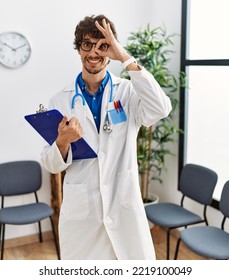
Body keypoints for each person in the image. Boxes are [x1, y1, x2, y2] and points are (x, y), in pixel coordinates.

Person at [41, 14, 172, 260]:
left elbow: (161, 108)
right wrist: (62, 141)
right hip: (83, 214)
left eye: (103, 45)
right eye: (87, 44)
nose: (94, 53)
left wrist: (126, 58)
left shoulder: (128, 91)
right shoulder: (60, 101)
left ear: (112, 48)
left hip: (123, 207)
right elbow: (49, 162)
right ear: (78, 48)